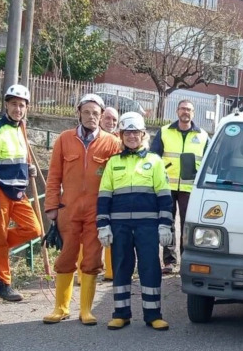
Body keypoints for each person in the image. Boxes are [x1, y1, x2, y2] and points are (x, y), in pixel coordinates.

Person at [41, 93, 122, 325]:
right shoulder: (64, 139)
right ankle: (60, 308)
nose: (91, 117)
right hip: (69, 209)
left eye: (95, 113)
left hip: (97, 211)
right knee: (66, 257)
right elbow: (54, 175)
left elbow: (117, 179)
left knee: (92, 258)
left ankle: (86, 310)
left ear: (102, 115)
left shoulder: (111, 143)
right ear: (78, 113)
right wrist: (51, 206)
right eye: (86, 112)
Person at [97, 112, 174, 331]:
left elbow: (164, 196)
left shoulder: (155, 161)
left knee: (150, 268)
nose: (131, 136)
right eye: (127, 132)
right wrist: (103, 225)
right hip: (119, 227)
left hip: (147, 226)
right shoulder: (113, 163)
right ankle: (121, 314)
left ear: (143, 135)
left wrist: (164, 224)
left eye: (136, 132)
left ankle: (153, 315)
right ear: (121, 135)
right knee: (121, 267)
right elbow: (104, 196)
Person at [0, 84, 43, 302]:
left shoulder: (20, 129)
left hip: (19, 191)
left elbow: (15, 158)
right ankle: (2, 283)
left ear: (26, 108)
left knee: (34, 229)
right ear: (6, 105)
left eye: (22, 105)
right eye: (14, 104)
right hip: (0, 190)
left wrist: (27, 168)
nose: (18, 108)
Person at [150, 100, 208, 275]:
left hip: (190, 188)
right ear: (177, 111)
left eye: (189, 110)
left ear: (193, 114)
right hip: (166, 186)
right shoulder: (165, 131)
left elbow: (208, 162)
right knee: (167, 223)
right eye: (183, 109)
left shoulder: (203, 135)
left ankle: (186, 260)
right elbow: (153, 157)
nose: (186, 112)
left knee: (186, 224)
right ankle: (169, 261)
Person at [98, 104, 120, 279]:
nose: (111, 122)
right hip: (93, 192)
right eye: (107, 118)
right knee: (89, 234)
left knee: (113, 232)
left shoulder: (121, 141)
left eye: (114, 119)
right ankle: (86, 272)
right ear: (100, 118)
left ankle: (111, 272)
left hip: (114, 193)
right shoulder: (93, 139)